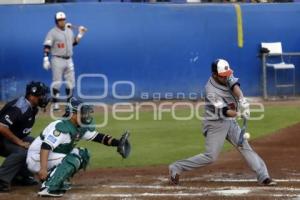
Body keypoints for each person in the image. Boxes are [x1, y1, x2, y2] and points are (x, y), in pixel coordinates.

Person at [169, 59, 276, 186]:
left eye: (227, 75)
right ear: (215, 75)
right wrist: (239, 114)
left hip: (229, 122)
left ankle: (263, 176)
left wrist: (242, 99)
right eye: (223, 76)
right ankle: (177, 167)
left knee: (244, 146)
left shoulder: (225, 74)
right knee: (211, 156)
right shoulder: (211, 91)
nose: (227, 78)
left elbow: (234, 85)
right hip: (215, 123)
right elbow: (225, 111)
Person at [26, 98, 131, 197]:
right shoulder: (61, 126)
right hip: (37, 158)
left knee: (83, 154)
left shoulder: (79, 126)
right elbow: (45, 146)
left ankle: (55, 180)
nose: (86, 115)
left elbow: (98, 137)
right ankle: (48, 188)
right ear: (73, 115)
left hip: (49, 156)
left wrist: (117, 143)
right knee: (73, 158)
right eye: (83, 113)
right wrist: (43, 169)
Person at [0, 81, 50, 192]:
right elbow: (2, 127)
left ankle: (22, 176)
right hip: (1, 138)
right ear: (32, 96)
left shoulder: (33, 107)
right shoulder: (19, 107)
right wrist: (19, 142)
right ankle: (1, 179)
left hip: (8, 138)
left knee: (37, 144)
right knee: (22, 150)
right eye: (41, 95)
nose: (44, 98)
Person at [43, 11, 87, 111]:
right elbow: (47, 46)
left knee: (70, 82)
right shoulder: (52, 32)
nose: (62, 22)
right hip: (57, 59)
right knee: (57, 82)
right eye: (60, 20)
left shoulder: (69, 31)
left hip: (69, 59)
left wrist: (80, 34)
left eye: (63, 19)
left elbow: (74, 43)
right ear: (56, 21)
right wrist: (45, 58)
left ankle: (70, 103)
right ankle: (55, 104)